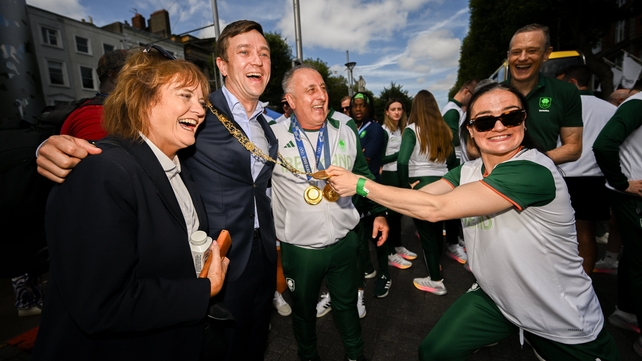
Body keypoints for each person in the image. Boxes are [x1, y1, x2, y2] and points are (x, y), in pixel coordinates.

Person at [35, 20, 277, 360]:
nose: (199, 110)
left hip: (239, 266)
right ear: (144, 101)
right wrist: (46, 146)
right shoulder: (108, 171)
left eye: (264, 53)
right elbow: (102, 301)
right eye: (186, 96)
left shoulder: (182, 170)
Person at [326, 82, 619, 361]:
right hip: (498, 299)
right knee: (434, 352)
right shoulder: (469, 169)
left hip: (560, 318)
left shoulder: (533, 169)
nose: (500, 126)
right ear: (471, 131)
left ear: (524, 121)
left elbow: (435, 208)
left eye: (511, 117)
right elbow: (425, 197)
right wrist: (383, 212)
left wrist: (361, 184)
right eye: (485, 122)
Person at [272, 65, 388, 361]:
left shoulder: (345, 128)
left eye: (323, 88)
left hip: (345, 242)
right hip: (300, 249)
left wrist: (378, 211)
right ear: (291, 100)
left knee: (347, 306)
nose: (321, 95)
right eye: (311, 90)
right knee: (304, 312)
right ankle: (308, 356)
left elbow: (362, 174)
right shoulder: (271, 137)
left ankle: (355, 355)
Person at [594, 82, 642, 356]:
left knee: (635, 255)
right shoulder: (636, 104)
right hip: (631, 194)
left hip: (626, 191)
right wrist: (621, 183)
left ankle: (626, 309)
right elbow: (603, 145)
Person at [559, 64, 616, 275]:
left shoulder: (562, 106)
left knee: (556, 234)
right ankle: (585, 283)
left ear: (572, 83)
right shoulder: (610, 109)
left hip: (563, 176)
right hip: (595, 178)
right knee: (586, 234)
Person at [398, 90, 453, 296]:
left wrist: (405, 187)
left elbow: (402, 161)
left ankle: (436, 280)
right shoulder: (445, 129)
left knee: (428, 236)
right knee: (437, 232)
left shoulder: (412, 130)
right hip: (444, 185)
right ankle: (435, 266)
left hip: (422, 186)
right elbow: (452, 162)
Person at [506, 23, 583, 165]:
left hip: (542, 178)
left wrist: (533, 161)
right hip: (496, 178)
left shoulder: (565, 91)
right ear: (508, 56)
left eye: (531, 51)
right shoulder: (491, 94)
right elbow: (471, 147)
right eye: (516, 52)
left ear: (546, 53)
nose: (522, 58)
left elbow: (574, 148)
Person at [441, 79, 479, 266]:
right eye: (473, 96)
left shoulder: (455, 110)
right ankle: (452, 244)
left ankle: (455, 239)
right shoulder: (452, 111)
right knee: (455, 206)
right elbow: (451, 141)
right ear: (466, 92)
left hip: (457, 162)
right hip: (454, 163)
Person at [59, 49, 128, 140]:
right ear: (113, 76)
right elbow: (102, 153)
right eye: (136, 73)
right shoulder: (96, 115)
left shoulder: (106, 109)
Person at [381, 98, 417, 267]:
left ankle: (398, 246)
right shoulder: (384, 131)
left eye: (400, 109)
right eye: (393, 109)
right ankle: (389, 252)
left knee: (399, 215)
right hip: (388, 176)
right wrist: (400, 154)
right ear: (387, 112)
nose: (397, 112)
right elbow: (379, 158)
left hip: (401, 174)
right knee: (390, 216)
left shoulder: (404, 129)